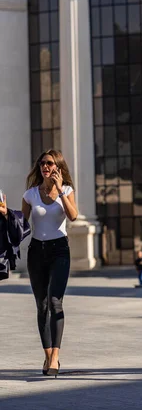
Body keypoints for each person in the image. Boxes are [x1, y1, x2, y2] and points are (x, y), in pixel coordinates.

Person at [22, 150, 78, 377]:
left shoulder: (67, 191)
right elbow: (21, 225)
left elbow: (73, 216)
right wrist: (6, 215)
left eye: (50, 163)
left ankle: (55, 356)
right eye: (42, 163)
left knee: (56, 301)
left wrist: (61, 192)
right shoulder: (30, 194)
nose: (45, 166)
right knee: (42, 305)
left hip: (59, 251)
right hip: (36, 251)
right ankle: (47, 356)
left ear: (58, 167)